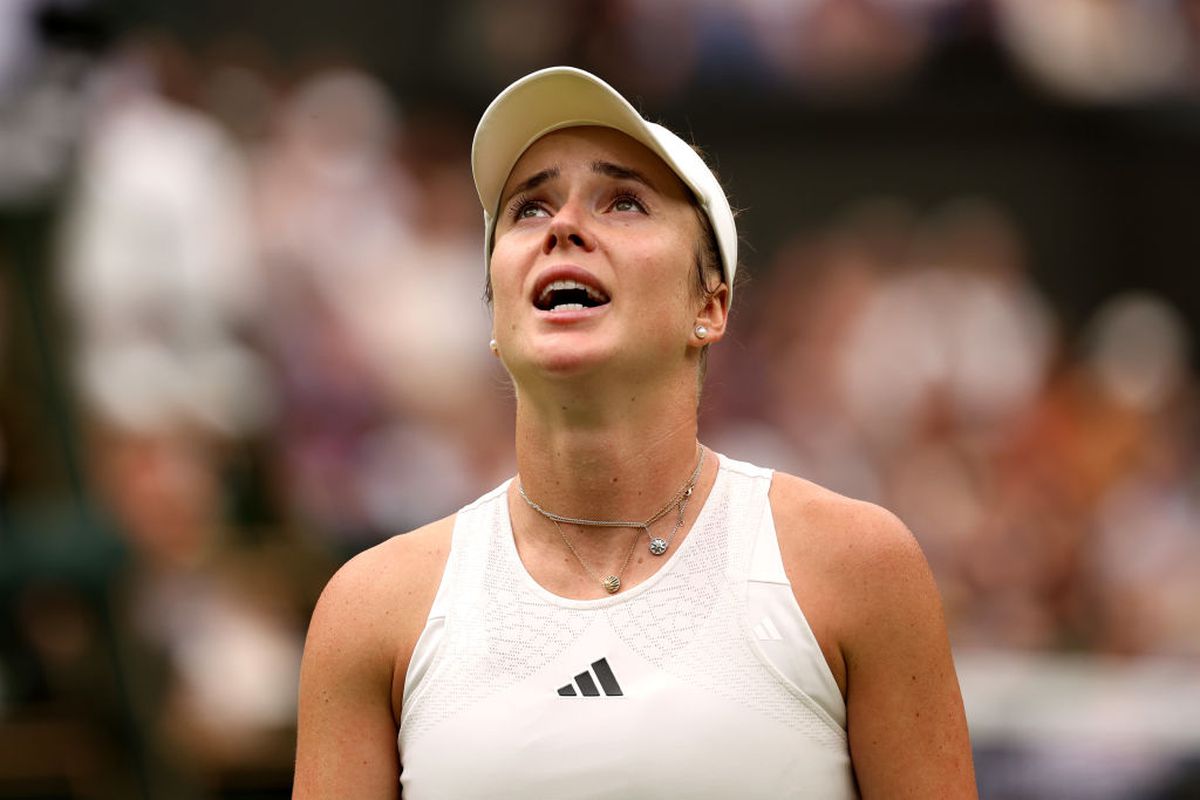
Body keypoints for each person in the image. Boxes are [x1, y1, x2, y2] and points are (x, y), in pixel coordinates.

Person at [292, 66, 977, 799]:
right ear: (495, 314)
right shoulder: (369, 610)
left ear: (709, 307)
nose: (562, 226)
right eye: (528, 209)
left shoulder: (858, 567)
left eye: (623, 201)